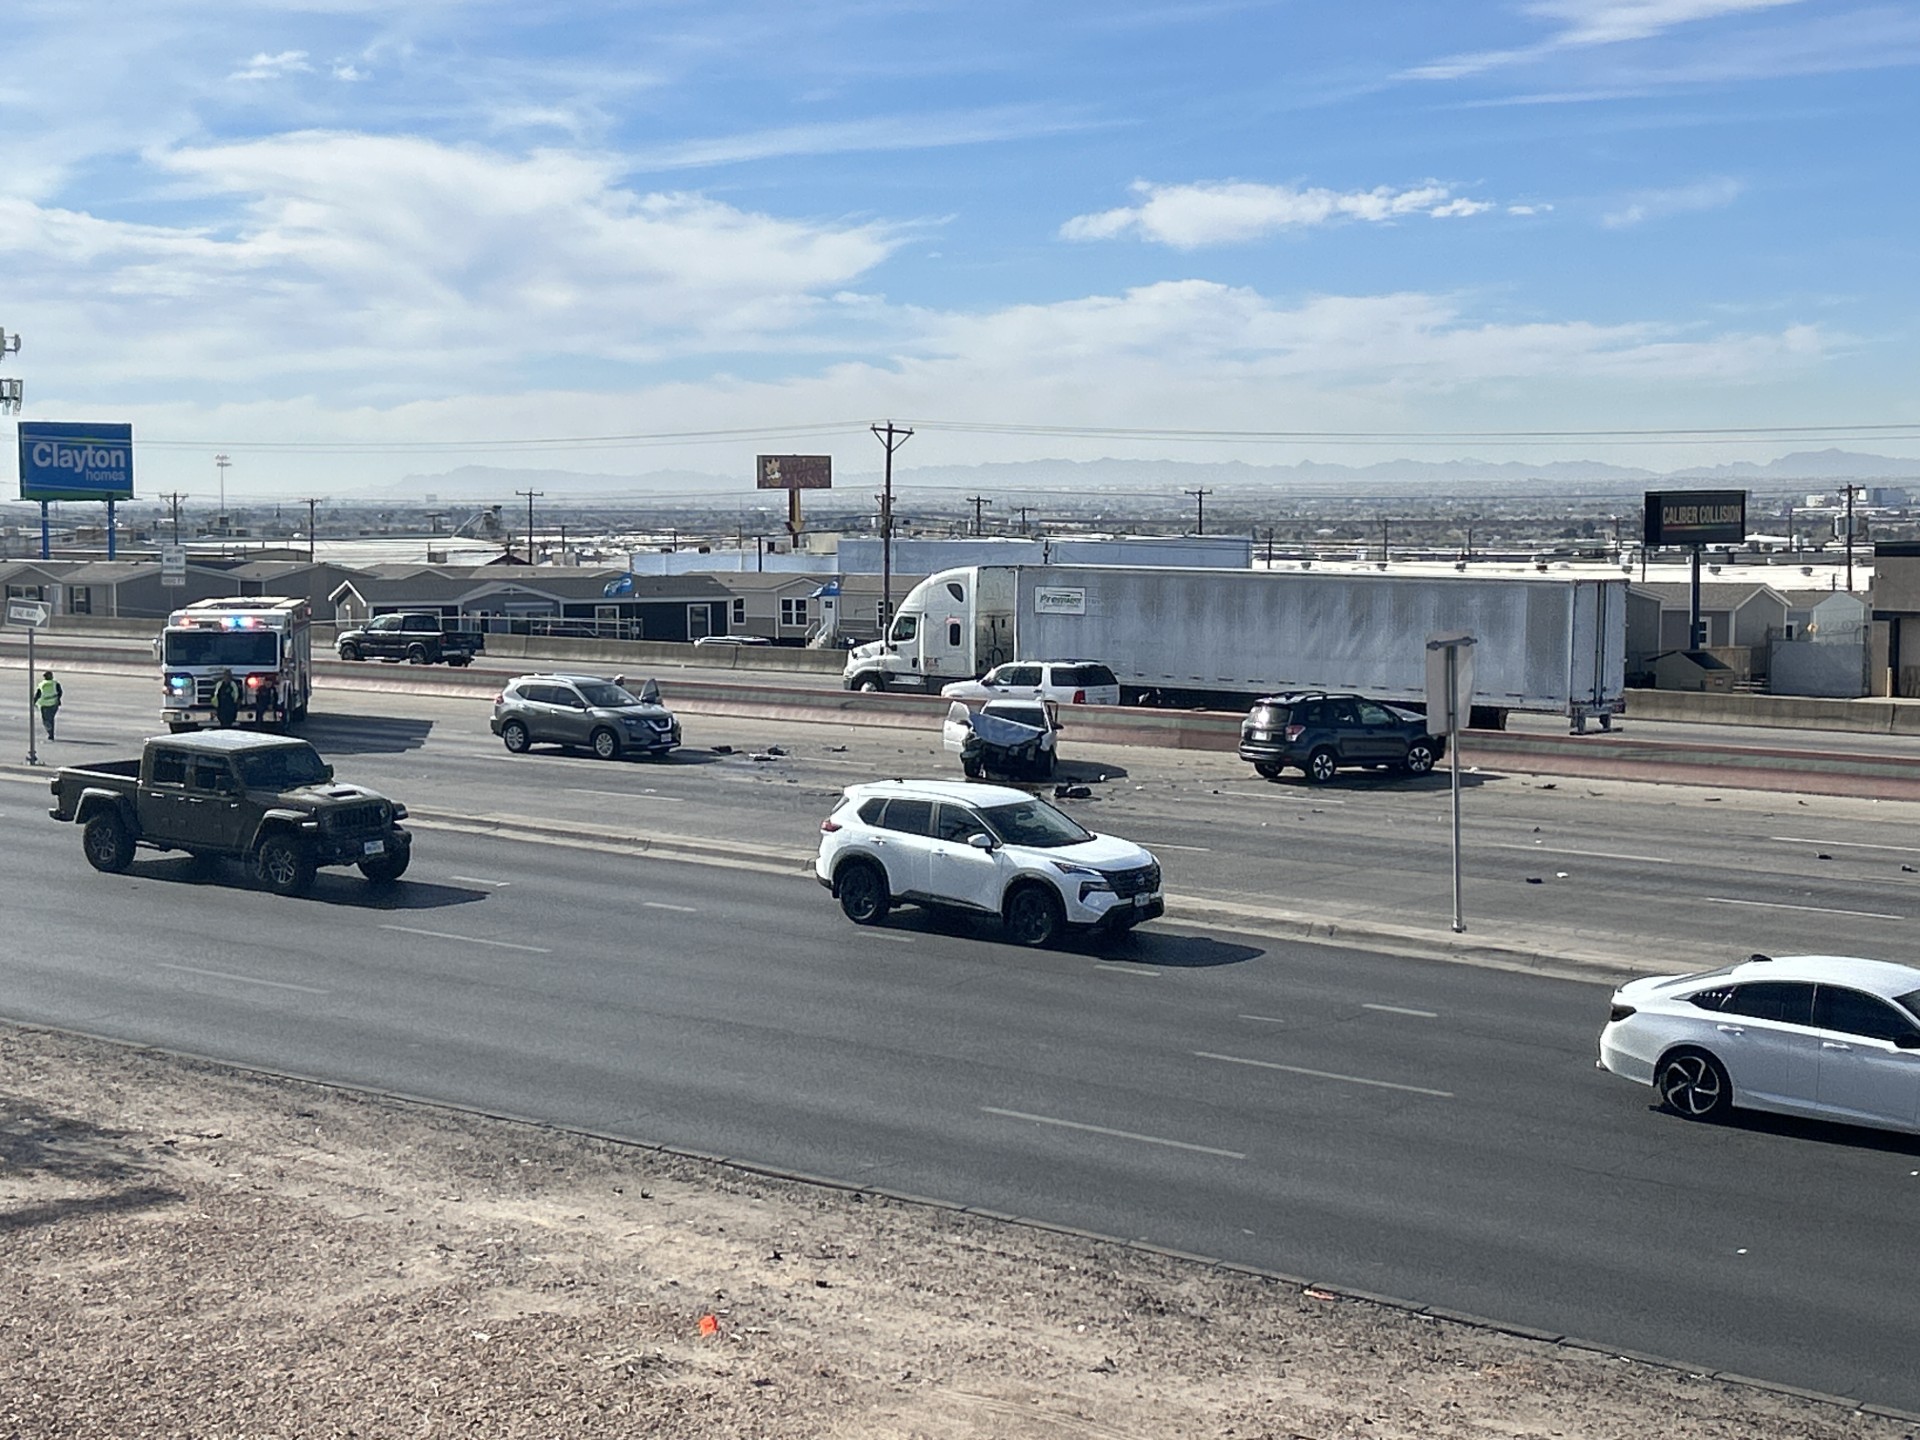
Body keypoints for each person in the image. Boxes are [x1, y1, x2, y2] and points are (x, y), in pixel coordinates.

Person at [33, 670, 61, 740]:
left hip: (44, 704)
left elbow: (38, 694)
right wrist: (58, 699)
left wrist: (34, 702)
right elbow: (60, 692)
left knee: (46, 720)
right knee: (51, 719)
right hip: (54, 703)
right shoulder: (55, 683)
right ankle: (51, 734)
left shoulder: (41, 684)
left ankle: (50, 732)